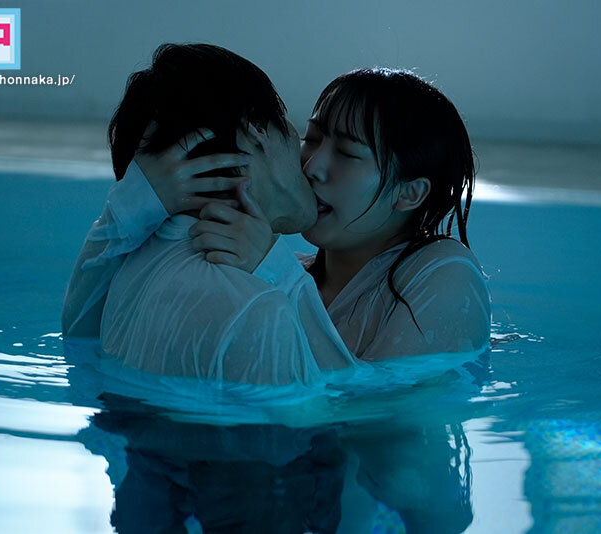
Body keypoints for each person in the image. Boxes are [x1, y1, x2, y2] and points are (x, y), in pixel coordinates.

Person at [62, 43, 357, 386]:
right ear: (256, 132)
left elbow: (77, 340)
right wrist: (284, 277)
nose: (311, 163)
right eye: (305, 136)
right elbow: (341, 413)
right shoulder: (259, 311)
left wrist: (126, 209)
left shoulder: (126, 269)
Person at [192, 68, 492, 361]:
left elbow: (382, 394)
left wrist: (272, 271)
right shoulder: (290, 269)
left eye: (347, 153)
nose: (311, 167)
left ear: (408, 193)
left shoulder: (445, 272)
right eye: (311, 139)